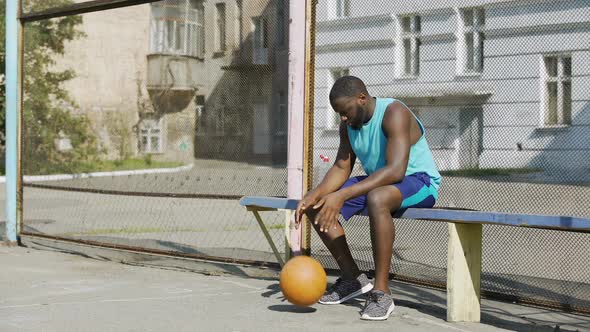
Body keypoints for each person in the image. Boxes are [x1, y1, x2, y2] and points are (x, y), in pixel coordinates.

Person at [295, 76, 441, 321]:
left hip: (419, 180)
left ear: (362, 98)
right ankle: (352, 278)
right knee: (316, 204)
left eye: (345, 111)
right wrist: (314, 194)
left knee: (377, 198)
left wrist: (342, 195)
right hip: (380, 181)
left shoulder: (394, 112)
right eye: (339, 113)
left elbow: (396, 171)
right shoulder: (348, 125)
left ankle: (381, 292)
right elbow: (342, 167)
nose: (343, 117)